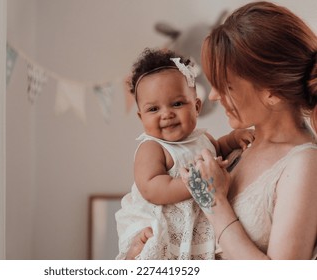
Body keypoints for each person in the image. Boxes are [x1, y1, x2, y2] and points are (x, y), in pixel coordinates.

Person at [126, 1, 317, 260]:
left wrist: (214, 202)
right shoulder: (242, 146)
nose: (213, 96)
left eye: (225, 86)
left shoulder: (305, 164)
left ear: (270, 92)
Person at [115, 48, 254, 260]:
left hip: (195, 223)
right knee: (156, 252)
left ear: (196, 107)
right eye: (153, 109)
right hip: (162, 224)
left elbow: (219, 149)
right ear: (140, 116)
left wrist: (234, 139)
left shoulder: (201, 138)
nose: (166, 114)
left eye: (177, 104)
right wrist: (198, 183)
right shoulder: (152, 147)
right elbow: (152, 188)